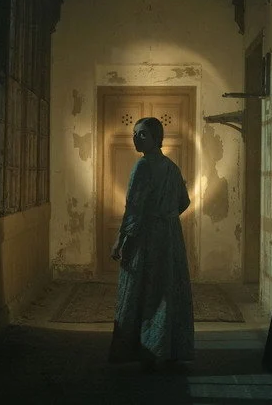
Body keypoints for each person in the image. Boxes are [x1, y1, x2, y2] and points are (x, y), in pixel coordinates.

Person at [108, 117, 195, 372]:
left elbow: (134, 208)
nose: (136, 138)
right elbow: (184, 202)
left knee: (143, 290)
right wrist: (166, 217)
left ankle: (146, 351)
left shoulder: (143, 166)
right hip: (170, 238)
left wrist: (121, 240)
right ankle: (167, 350)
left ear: (157, 138)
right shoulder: (171, 167)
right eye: (134, 134)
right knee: (166, 290)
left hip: (146, 237)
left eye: (142, 134)